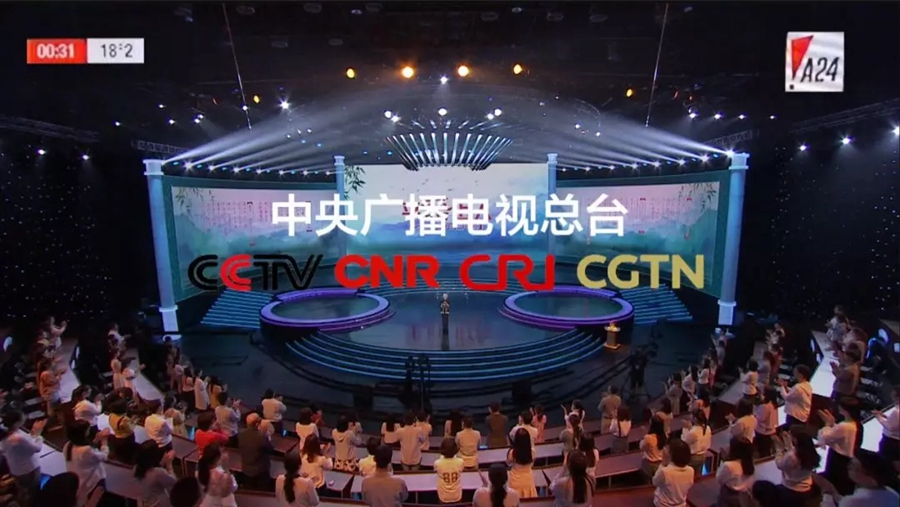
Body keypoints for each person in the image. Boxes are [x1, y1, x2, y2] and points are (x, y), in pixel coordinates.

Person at [0, 411, 47, 506]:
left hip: (16, 469)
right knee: (33, 493)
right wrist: (38, 434)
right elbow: (37, 448)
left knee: (23, 490)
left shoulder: (6, 436)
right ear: (17, 422)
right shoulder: (17, 438)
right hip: (29, 470)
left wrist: (33, 433)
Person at [819, 398, 862, 496]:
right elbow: (839, 433)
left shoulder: (844, 426)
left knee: (835, 484)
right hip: (847, 458)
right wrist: (833, 424)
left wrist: (827, 425)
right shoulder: (856, 424)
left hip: (838, 459)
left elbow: (826, 436)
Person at [64, 420, 110, 506]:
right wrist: (104, 442)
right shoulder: (86, 451)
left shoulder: (68, 445)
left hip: (79, 482)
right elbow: (103, 457)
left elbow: (88, 454)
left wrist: (96, 439)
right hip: (92, 483)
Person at [835, 449, 900, 506]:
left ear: (871, 478)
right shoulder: (892, 494)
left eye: (855, 468)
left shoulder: (853, 501)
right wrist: (834, 493)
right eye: (851, 464)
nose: (848, 468)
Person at [775, 426, 822, 506]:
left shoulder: (792, 456)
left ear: (795, 439)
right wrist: (789, 446)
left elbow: (780, 465)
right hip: (807, 488)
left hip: (791, 489)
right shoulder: (810, 451)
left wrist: (779, 449)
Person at [651, 439, 694, 507]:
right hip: (681, 504)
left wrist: (663, 463)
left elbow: (654, 482)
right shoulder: (691, 470)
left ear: (671, 455)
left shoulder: (665, 471)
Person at [135, 440, 178, 507]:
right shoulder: (157, 473)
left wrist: (162, 463)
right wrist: (169, 465)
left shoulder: (136, 468)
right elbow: (175, 483)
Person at [715, 437, 755, 507]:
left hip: (729, 496)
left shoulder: (729, 465)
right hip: (743, 496)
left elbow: (719, 478)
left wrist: (723, 461)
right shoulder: (750, 463)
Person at [238, 413, 274, 491]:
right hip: (260, 472)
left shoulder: (241, 434)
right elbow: (271, 449)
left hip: (246, 469)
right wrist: (265, 435)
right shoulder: (261, 437)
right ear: (257, 424)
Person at [506, 429, 537, 498]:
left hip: (514, 481)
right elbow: (532, 463)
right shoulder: (532, 452)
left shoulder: (512, 453)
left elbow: (508, 463)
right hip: (528, 480)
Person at [871, 386, 899, 461]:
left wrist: (878, 417)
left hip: (891, 442)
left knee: (886, 461)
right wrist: (884, 416)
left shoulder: (896, 412)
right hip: (896, 442)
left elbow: (890, 427)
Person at [434, 437, 465, 503]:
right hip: (457, 495)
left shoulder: (437, 463)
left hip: (443, 496)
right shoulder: (460, 462)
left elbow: (436, 470)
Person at [681, 409, 711, 476]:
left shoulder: (694, 432)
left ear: (695, 418)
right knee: (698, 476)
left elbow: (684, 442)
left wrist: (685, 428)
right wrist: (690, 428)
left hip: (693, 458)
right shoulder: (708, 428)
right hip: (703, 456)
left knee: (690, 475)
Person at [107, 399, 137, 463]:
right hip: (126, 439)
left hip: (116, 436)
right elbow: (130, 428)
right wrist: (134, 421)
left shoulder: (111, 415)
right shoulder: (124, 419)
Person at [755, 389, 779, 457]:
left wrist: (755, 414)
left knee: (763, 452)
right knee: (768, 450)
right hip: (771, 430)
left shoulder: (765, 406)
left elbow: (761, 418)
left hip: (763, 432)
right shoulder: (774, 404)